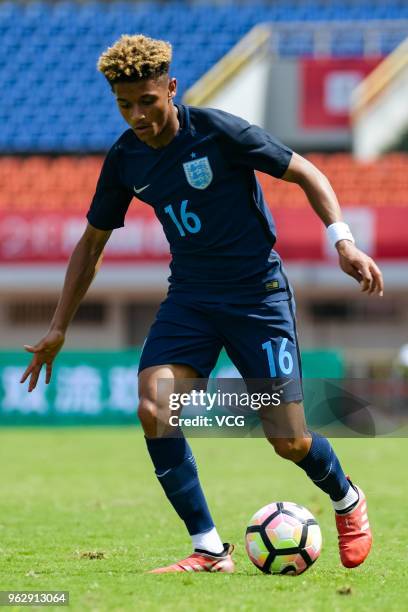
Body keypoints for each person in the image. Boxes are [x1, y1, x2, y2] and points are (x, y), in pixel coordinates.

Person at [21, 34, 383, 574]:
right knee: (153, 407)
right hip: (190, 298)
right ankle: (210, 549)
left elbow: (306, 171)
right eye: (125, 106)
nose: (138, 115)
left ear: (171, 88)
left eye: (148, 101)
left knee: (288, 440)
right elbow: (91, 244)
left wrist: (343, 240)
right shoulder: (125, 158)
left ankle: (347, 499)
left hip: (257, 296)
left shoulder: (217, 131)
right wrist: (58, 327)